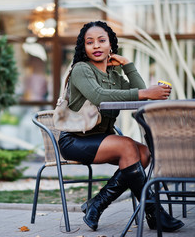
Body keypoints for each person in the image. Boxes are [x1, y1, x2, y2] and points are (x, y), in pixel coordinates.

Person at [58, 21, 184, 232]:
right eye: (90, 42)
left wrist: (127, 64)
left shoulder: (115, 75)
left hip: (103, 139)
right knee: (128, 146)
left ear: (110, 45)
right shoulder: (81, 69)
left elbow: (140, 92)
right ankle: (155, 213)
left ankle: (97, 204)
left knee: (143, 154)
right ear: (84, 47)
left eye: (101, 41)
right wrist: (144, 94)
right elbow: (99, 96)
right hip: (75, 140)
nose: (96, 46)